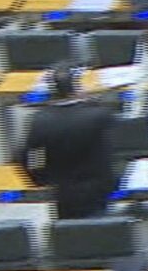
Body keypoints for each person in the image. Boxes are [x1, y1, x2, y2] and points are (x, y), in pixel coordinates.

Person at [19, 65, 116, 220]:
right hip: (99, 187)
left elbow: (23, 158)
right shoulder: (100, 115)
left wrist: (39, 180)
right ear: (76, 88)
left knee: (69, 229)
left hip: (63, 191)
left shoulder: (40, 120)